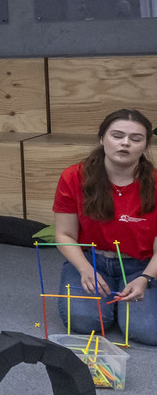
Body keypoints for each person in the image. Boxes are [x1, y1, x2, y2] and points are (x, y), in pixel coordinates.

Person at [52, 110, 157, 345]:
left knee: (148, 331)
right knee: (83, 322)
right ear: (102, 138)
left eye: (136, 139)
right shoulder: (73, 176)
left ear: (145, 145)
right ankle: (115, 303)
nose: (125, 143)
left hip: (141, 265)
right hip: (91, 260)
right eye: (117, 136)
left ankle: (127, 302)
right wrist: (84, 269)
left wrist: (145, 279)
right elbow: (64, 234)